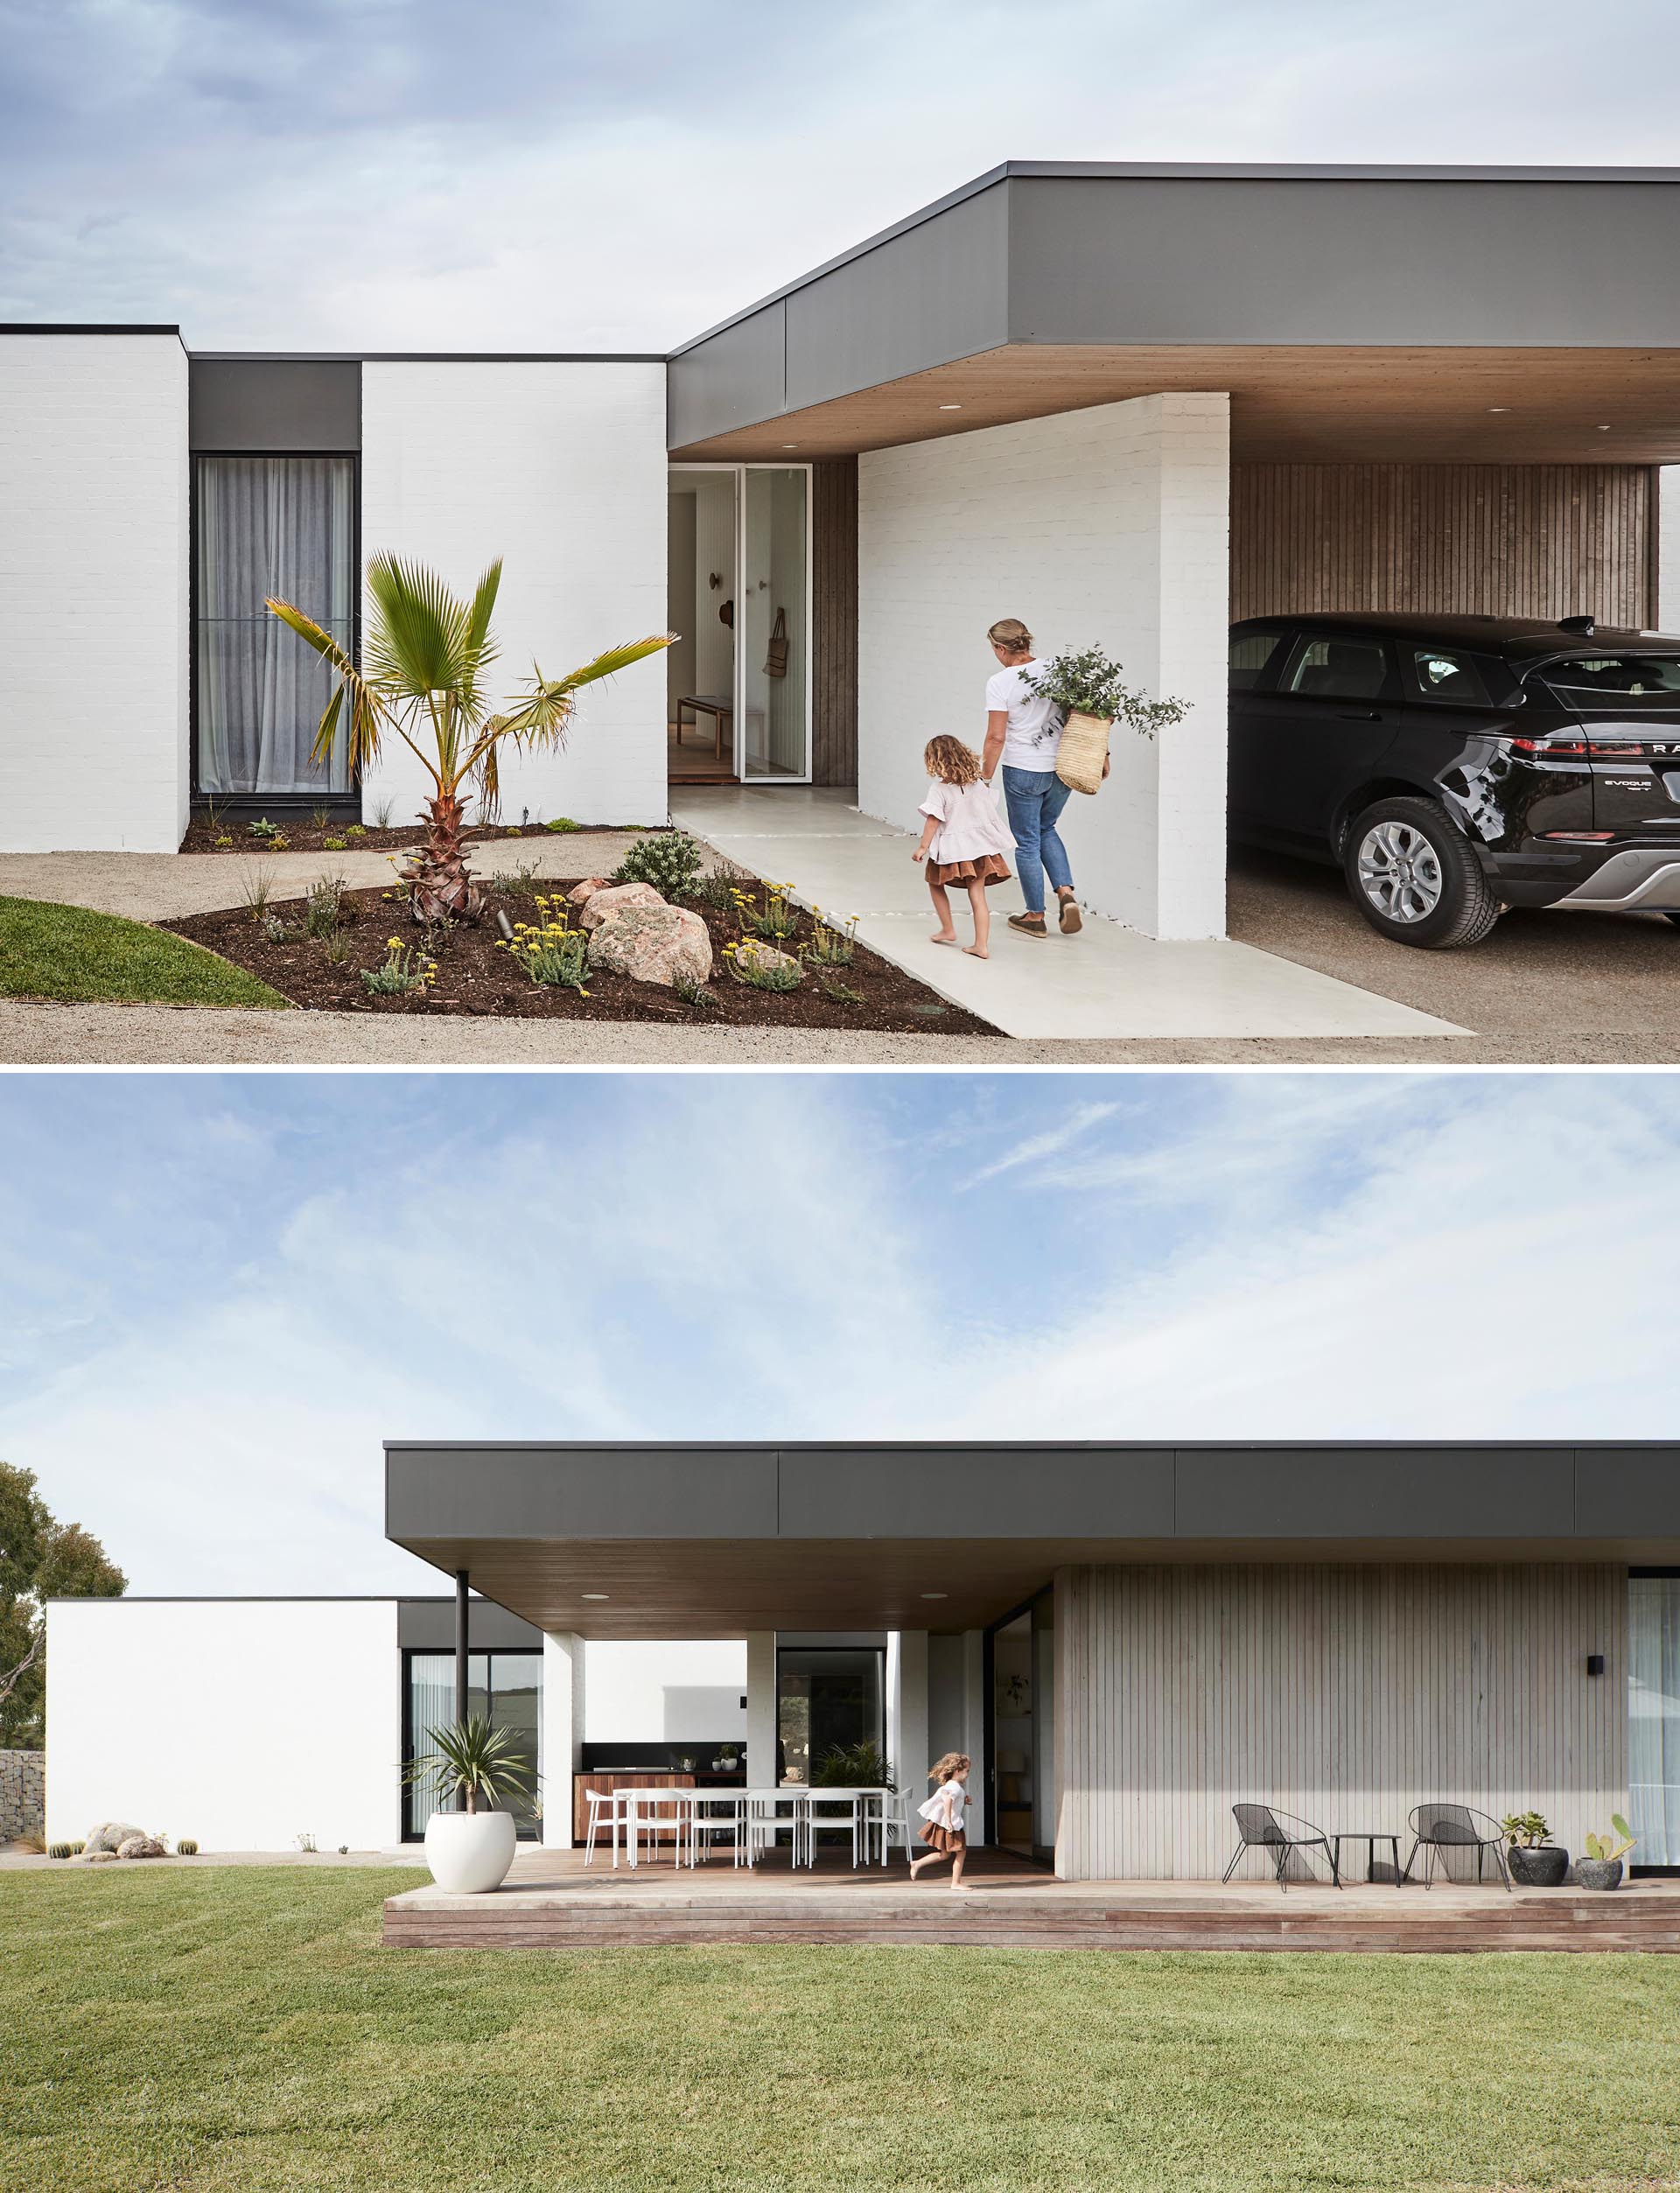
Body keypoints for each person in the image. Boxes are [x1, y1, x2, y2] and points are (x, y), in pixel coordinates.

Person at [979, 616, 1106, 941]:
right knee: (1046, 828)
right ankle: (1065, 893)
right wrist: (1103, 754)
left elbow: (996, 737)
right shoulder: (1057, 670)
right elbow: (1088, 715)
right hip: (1062, 767)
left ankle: (1035, 915)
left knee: (1027, 841)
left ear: (999, 647)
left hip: (1023, 769)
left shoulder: (1000, 682)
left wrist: (984, 778)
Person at [912, 736, 1015, 959]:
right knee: (977, 895)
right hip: (979, 849)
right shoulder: (977, 784)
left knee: (934, 882)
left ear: (935, 761)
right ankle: (981, 945)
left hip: (954, 850)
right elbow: (987, 808)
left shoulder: (939, 789)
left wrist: (923, 847)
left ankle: (948, 928)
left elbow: (933, 820)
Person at [907, 1751, 972, 1888]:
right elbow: (947, 1800)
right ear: (957, 1770)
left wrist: (964, 1801)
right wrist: (949, 1820)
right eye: (967, 1770)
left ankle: (917, 1863)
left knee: (944, 1855)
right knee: (961, 1852)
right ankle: (955, 1883)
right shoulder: (954, 1786)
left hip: (949, 1823)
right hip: (952, 1825)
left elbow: (951, 1800)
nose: (968, 1774)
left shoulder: (951, 1784)